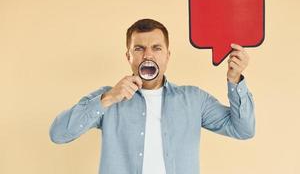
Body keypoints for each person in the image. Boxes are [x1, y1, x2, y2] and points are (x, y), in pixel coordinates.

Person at [49, 18, 255, 174]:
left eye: (156, 48)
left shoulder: (194, 99)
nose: (148, 55)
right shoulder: (108, 97)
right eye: (139, 48)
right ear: (128, 56)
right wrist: (108, 98)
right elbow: (58, 134)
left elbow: (243, 130)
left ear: (167, 55)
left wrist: (235, 79)